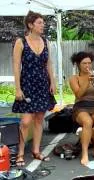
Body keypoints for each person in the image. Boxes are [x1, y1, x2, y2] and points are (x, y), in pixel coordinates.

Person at [12, 11, 56, 167]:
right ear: (30, 25)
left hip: (43, 84)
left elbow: (48, 64)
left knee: (39, 119)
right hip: (27, 85)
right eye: (39, 22)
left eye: (43, 22)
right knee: (25, 121)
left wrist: (53, 82)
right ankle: (21, 153)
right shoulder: (21, 42)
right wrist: (17, 88)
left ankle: (36, 151)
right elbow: (16, 67)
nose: (42, 25)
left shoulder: (45, 41)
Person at [69, 51, 94, 165]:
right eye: (84, 63)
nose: (87, 66)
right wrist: (87, 81)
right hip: (81, 105)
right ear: (78, 65)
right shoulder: (74, 78)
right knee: (88, 122)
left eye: (89, 63)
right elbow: (78, 94)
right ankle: (85, 153)